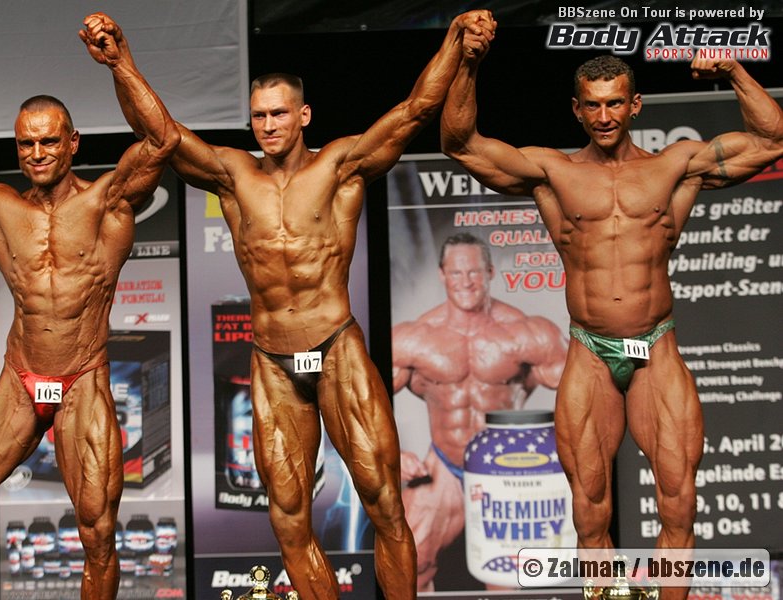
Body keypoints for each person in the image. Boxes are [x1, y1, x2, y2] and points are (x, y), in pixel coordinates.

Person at [109, 9, 492, 599]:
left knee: (385, 503)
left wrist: (454, 41)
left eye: (279, 113)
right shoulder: (234, 176)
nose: (268, 125)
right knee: (289, 521)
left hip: (336, 349)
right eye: (259, 116)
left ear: (303, 115)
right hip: (272, 362)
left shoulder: (341, 167)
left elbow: (416, 109)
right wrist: (119, 62)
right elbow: (161, 133)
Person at [441, 12, 783, 600]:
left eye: (615, 103)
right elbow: (459, 144)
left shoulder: (674, 167)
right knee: (590, 508)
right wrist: (467, 61)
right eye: (593, 106)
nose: (604, 116)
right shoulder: (553, 172)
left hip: (657, 347)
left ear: (635, 105)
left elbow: (774, 140)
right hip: (590, 352)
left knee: (678, 502)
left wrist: (731, 69)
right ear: (577, 109)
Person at [0, 12, 180, 598]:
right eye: (27, 143)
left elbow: (162, 141)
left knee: (97, 532)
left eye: (49, 141)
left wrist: (118, 61)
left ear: (73, 142)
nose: (38, 152)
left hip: (82, 381)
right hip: (20, 380)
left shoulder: (108, 204)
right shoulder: (0, 209)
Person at [391, 232, 566, 591]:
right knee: (411, 560)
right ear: (442, 275)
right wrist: (392, 454)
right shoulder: (413, 339)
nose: (466, 281)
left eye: (473, 272)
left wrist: (563, 453)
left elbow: (585, 393)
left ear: (489, 272)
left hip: (509, 466)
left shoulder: (526, 333)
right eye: (456, 273)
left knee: (507, 577)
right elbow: (362, 404)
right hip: (445, 466)